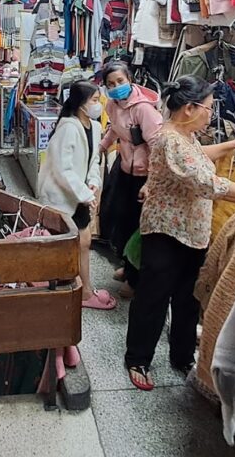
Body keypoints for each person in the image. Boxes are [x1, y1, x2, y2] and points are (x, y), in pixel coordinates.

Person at [125, 76, 235, 392]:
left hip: (192, 231)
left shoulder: (184, 135)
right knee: (154, 297)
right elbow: (208, 184)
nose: (211, 114)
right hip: (167, 231)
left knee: (187, 297)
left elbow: (197, 156)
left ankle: (181, 356)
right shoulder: (169, 140)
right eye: (208, 108)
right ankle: (137, 358)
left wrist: (232, 145)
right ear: (189, 109)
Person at [38, 79, 114, 310]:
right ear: (81, 103)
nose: (98, 104)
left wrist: (92, 182)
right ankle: (81, 290)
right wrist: (85, 193)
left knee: (82, 241)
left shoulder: (95, 127)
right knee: (75, 241)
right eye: (93, 100)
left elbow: (93, 160)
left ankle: (82, 289)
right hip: (62, 195)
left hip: (78, 193)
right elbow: (63, 169)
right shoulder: (68, 127)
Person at [99, 60, 163, 298]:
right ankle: (127, 267)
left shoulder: (144, 110)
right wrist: (103, 146)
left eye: (120, 81)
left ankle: (136, 280)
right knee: (121, 219)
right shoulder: (113, 105)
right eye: (110, 84)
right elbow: (115, 129)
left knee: (139, 228)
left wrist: (151, 182)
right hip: (124, 167)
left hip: (144, 175)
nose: (116, 87)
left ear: (130, 80)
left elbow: (158, 147)